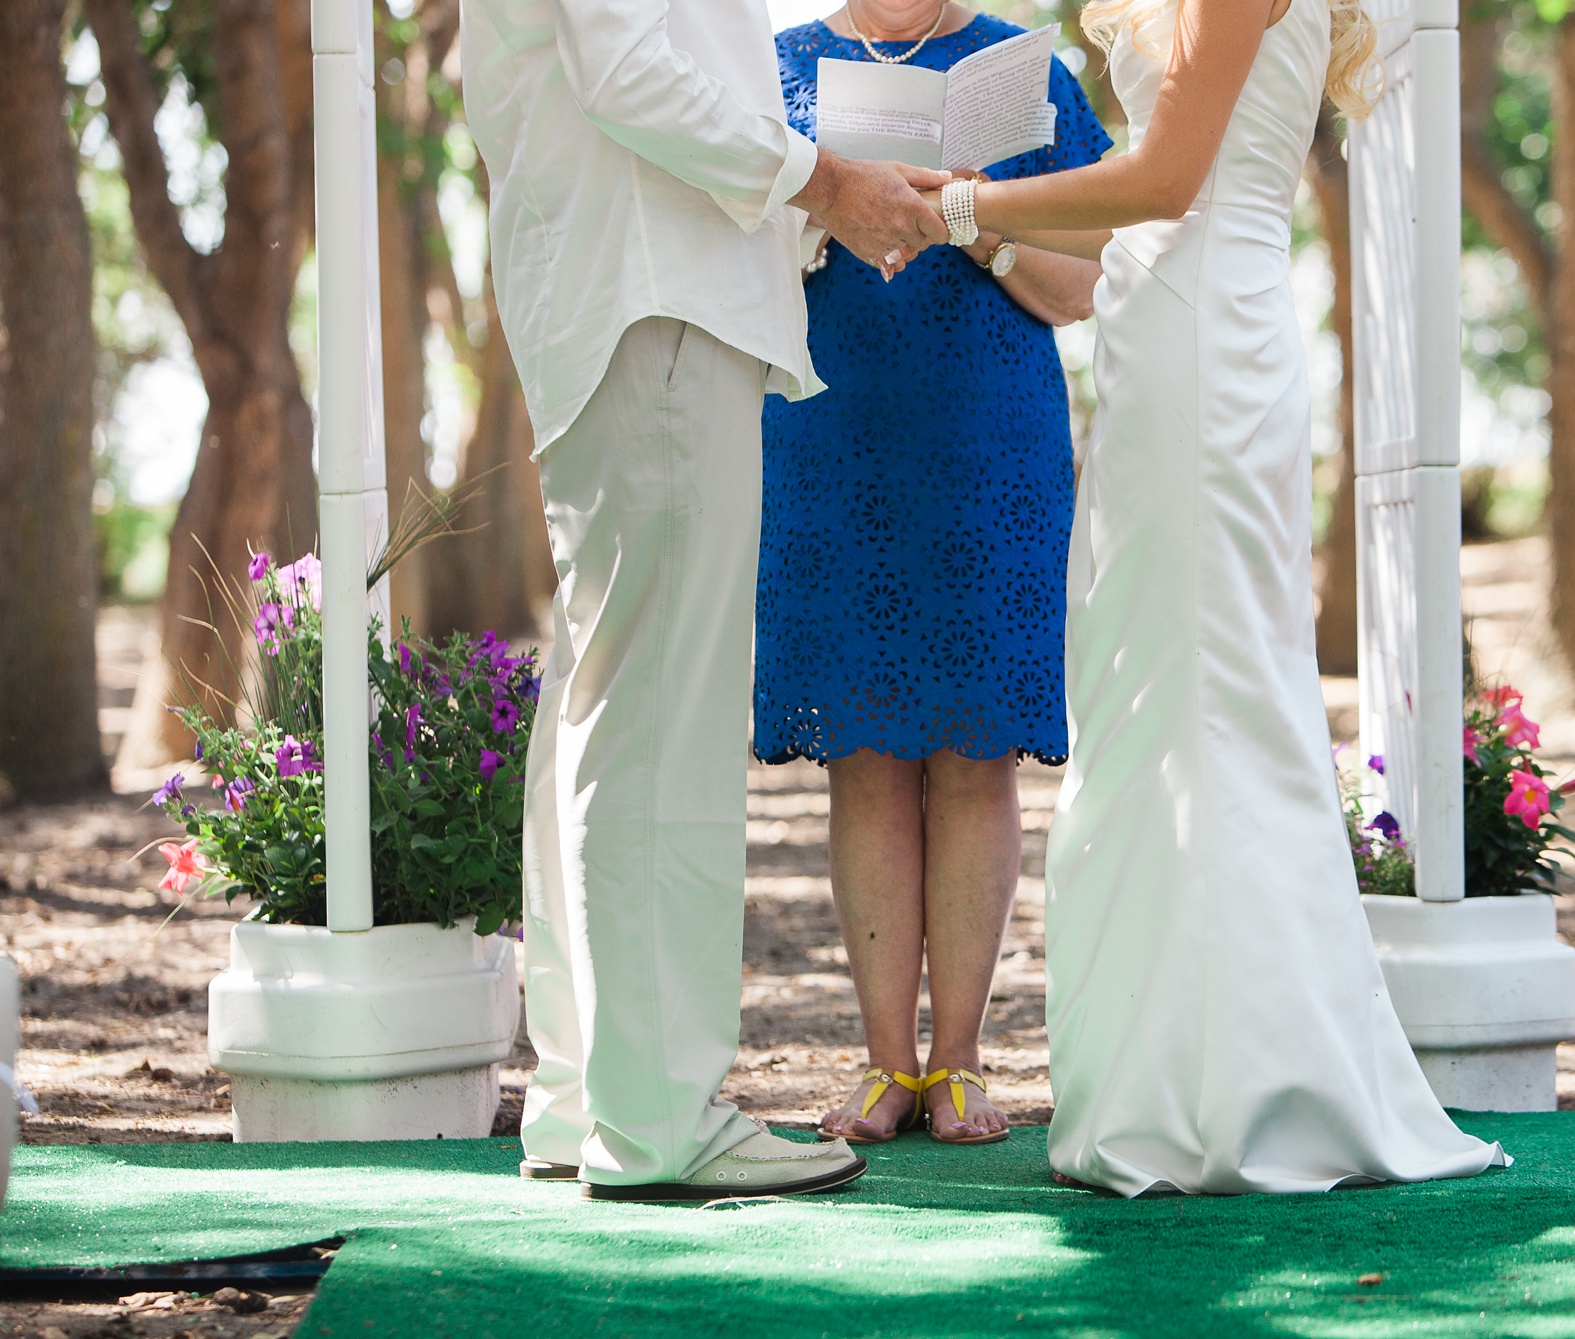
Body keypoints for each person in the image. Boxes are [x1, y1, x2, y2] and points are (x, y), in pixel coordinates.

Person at [920, 0, 1511, 1194]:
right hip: (1168, 325)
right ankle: (1170, 1071)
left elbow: (1167, 176)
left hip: (1201, 326)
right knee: (1159, 698)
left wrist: (959, 203)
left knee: (1210, 699)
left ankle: (1238, 1088)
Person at [460, 0, 952, 1202]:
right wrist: (822, 182)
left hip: (630, 302)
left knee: (608, 703)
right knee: (662, 720)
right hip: (658, 306)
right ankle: (659, 1115)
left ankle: (592, 1098)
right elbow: (630, 72)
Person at [756, 2, 1111, 1148]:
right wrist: (829, 211)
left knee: (973, 750)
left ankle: (959, 1063)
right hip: (829, 428)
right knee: (859, 750)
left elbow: (1085, 283)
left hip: (988, 434)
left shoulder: (1025, 73)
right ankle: (882, 1065)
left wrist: (971, 221)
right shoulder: (782, 67)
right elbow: (730, 236)